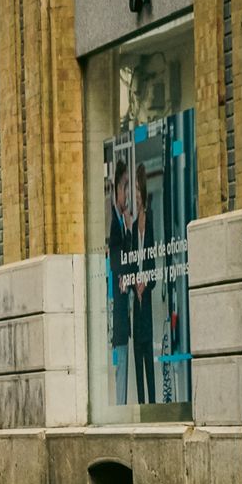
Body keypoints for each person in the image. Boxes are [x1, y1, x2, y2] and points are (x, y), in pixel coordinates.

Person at [131, 163, 158, 405]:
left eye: (139, 191)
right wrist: (132, 284)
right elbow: (130, 264)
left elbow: (154, 268)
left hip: (146, 298)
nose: (136, 196)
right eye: (134, 191)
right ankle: (141, 405)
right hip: (135, 301)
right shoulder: (131, 226)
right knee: (137, 353)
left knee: (148, 353)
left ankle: (152, 402)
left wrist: (145, 284)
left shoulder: (149, 221)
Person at [107, 160, 133, 405]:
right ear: (116, 190)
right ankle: (119, 407)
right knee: (120, 363)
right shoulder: (113, 223)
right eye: (125, 187)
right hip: (117, 312)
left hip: (123, 313)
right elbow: (117, 263)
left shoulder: (120, 223)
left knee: (122, 362)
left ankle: (120, 406)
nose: (128, 195)